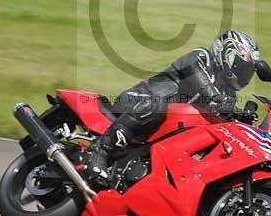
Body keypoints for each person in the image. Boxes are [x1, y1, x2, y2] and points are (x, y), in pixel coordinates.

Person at [85, 30, 261, 185]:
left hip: (163, 130)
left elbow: (224, 121)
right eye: (242, 67)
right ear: (226, 56)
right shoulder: (200, 57)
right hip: (137, 102)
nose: (244, 75)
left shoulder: (228, 94)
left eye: (248, 71)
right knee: (157, 106)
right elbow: (204, 87)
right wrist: (223, 104)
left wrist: (242, 122)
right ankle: (99, 150)